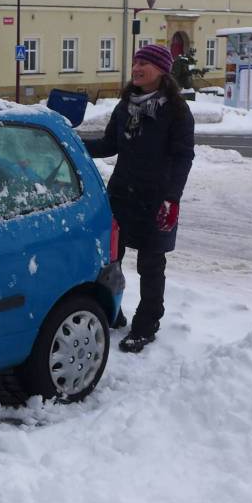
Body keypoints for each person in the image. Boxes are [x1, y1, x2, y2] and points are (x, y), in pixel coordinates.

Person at [84, 44, 195, 353]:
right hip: (121, 194)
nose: (137, 67)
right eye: (135, 61)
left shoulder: (176, 110)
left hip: (157, 198)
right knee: (111, 258)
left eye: (145, 62)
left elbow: (184, 157)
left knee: (150, 264)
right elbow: (109, 144)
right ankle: (112, 309)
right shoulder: (125, 106)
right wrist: (73, 143)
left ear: (162, 71)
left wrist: (172, 199)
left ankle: (146, 324)